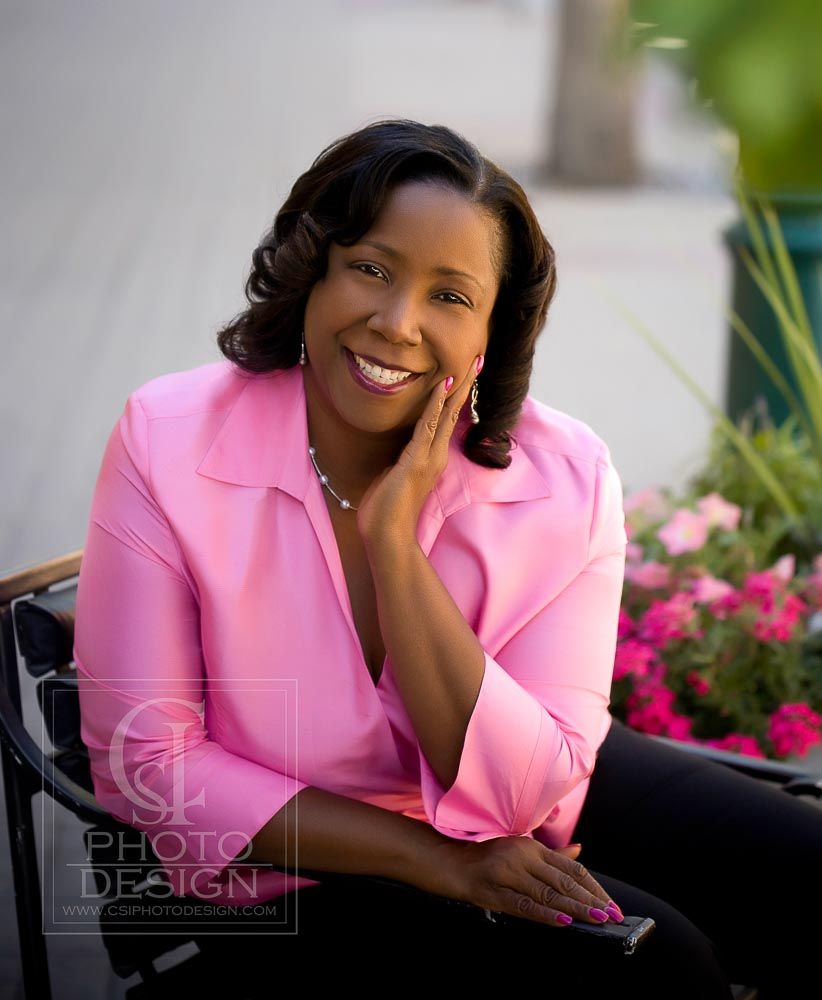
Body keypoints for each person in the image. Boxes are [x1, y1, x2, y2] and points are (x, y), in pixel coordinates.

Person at [74, 119, 822, 998]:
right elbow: (151, 768)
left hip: (516, 785)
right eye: (372, 269)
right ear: (312, 268)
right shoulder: (167, 440)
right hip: (280, 861)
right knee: (660, 969)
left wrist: (396, 550)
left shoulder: (566, 477)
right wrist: (433, 861)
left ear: (490, 337)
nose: (396, 324)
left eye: (449, 297)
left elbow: (522, 801)